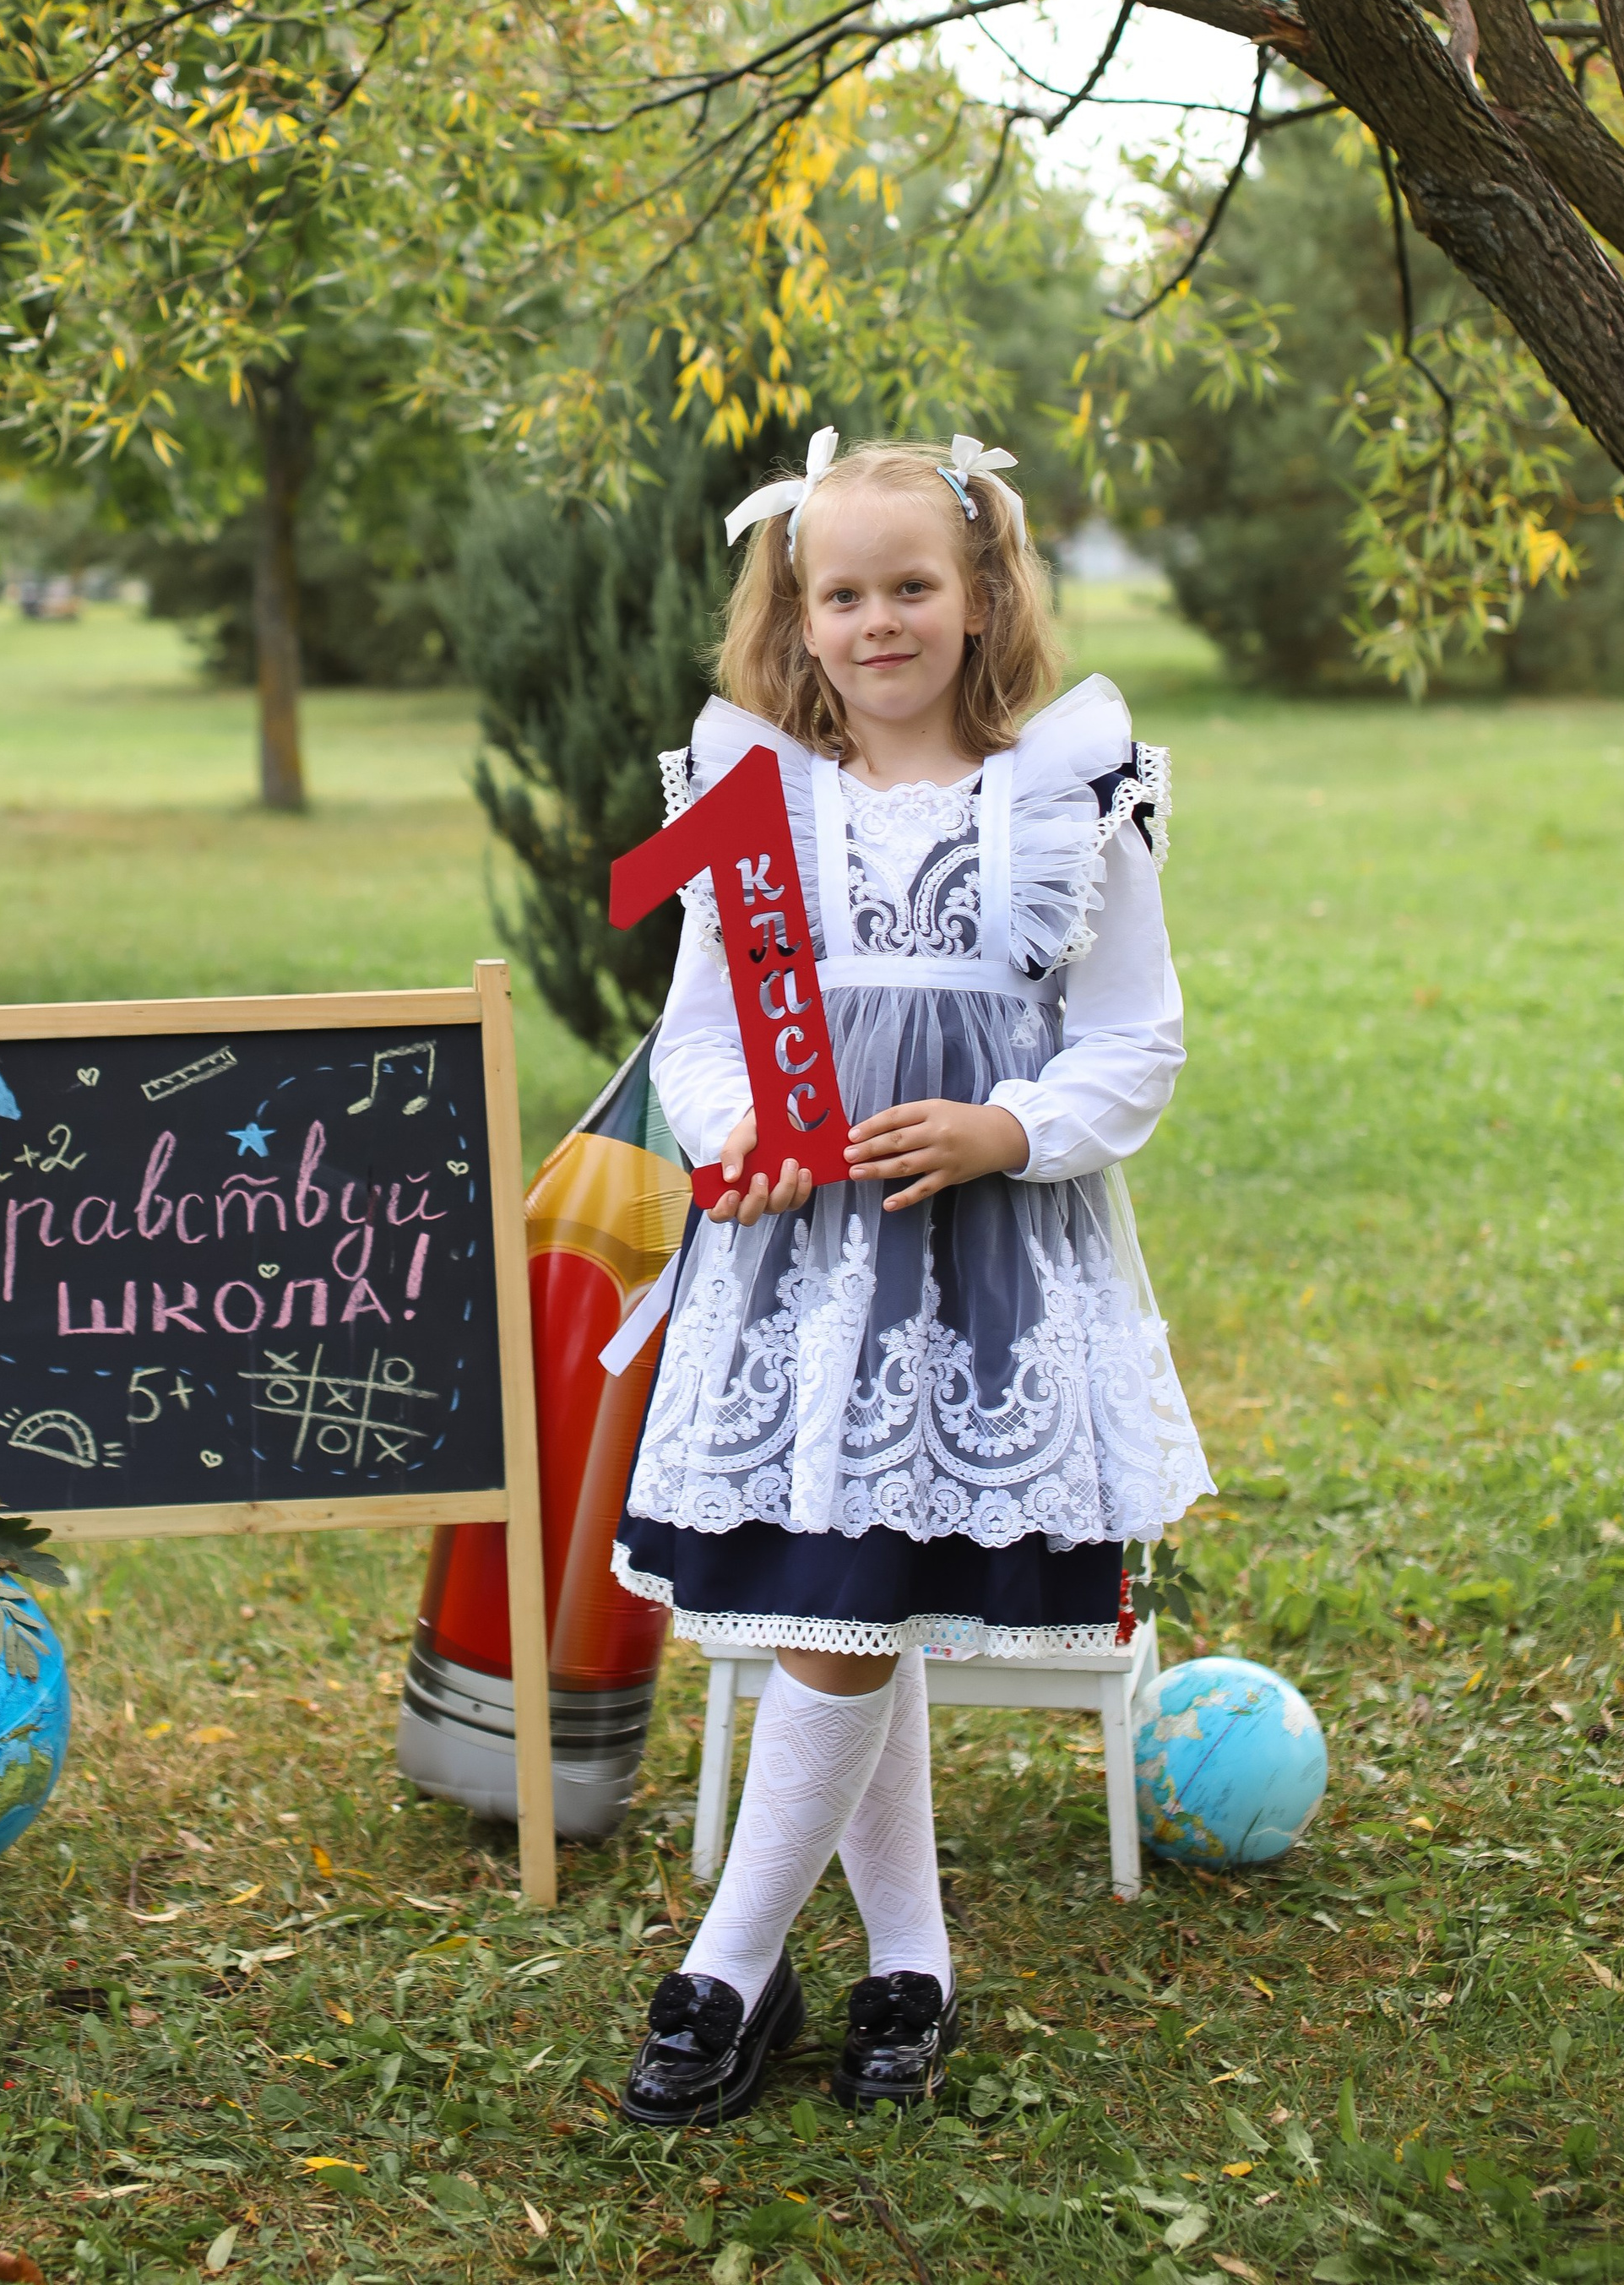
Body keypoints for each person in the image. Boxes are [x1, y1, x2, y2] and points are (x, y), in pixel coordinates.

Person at [611, 430, 1210, 2123]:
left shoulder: (1064, 800)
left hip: (982, 1268)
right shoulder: (755, 809)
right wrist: (743, 1142)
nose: (875, 622)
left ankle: (726, 1966)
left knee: (856, 1604)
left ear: (979, 594)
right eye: (839, 592)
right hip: (803, 1278)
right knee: (845, 1597)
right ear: (794, 615)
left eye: (910, 587)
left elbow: (1131, 1041)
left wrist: (1002, 1130)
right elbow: (700, 1040)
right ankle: (910, 1967)